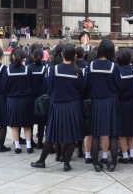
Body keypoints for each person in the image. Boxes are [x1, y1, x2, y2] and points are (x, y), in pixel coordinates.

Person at [31, 43, 85, 171]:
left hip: (57, 106)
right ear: (75, 56)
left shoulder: (54, 69)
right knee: (72, 136)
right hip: (73, 107)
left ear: (62, 54)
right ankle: (66, 163)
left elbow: (49, 86)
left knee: (51, 135)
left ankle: (41, 161)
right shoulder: (78, 72)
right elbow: (82, 90)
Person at [85, 39, 121, 172]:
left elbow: (86, 84)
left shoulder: (92, 65)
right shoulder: (113, 66)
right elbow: (119, 86)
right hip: (111, 102)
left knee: (96, 134)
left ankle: (95, 163)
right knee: (112, 134)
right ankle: (113, 163)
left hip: (96, 102)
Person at [1, 47, 34, 154]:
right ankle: (29, 146)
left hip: (12, 101)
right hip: (25, 100)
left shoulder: (7, 70)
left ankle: (17, 147)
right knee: (27, 125)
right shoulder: (27, 69)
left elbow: (4, 86)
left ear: (13, 56)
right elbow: (31, 85)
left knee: (14, 126)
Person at [116, 48, 133, 164]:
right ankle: (132, 154)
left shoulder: (117, 70)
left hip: (121, 103)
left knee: (121, 131)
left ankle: (125, 156)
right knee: (131, 131)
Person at [28, 48, 47, 149]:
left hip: (31, 99)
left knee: (30, 122)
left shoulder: (28, 68)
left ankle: (30, 141)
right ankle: (40, 142)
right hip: (42, 100)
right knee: (41, 123)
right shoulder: (44, 69)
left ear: (32, 56)